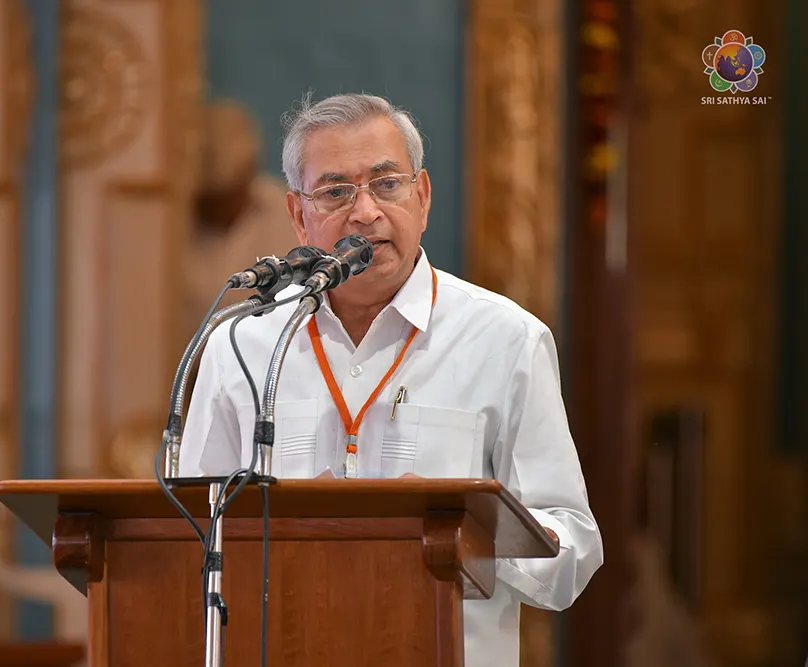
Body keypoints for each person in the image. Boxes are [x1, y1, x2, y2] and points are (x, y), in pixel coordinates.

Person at [179, 92, 603, 666]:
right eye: (335, 192)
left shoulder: (506, 340)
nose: (365, 212)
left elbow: (572, 549)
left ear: (422, 197)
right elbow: (189, 536)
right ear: (298, 215)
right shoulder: (242, 344)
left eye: (386, 185)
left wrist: (459, 531)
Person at [183, 98, 300, 338]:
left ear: (251, 171)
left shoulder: (290, 217)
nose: (221, 209)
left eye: (230, 196)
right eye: (213, 200)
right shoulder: (168, 226)